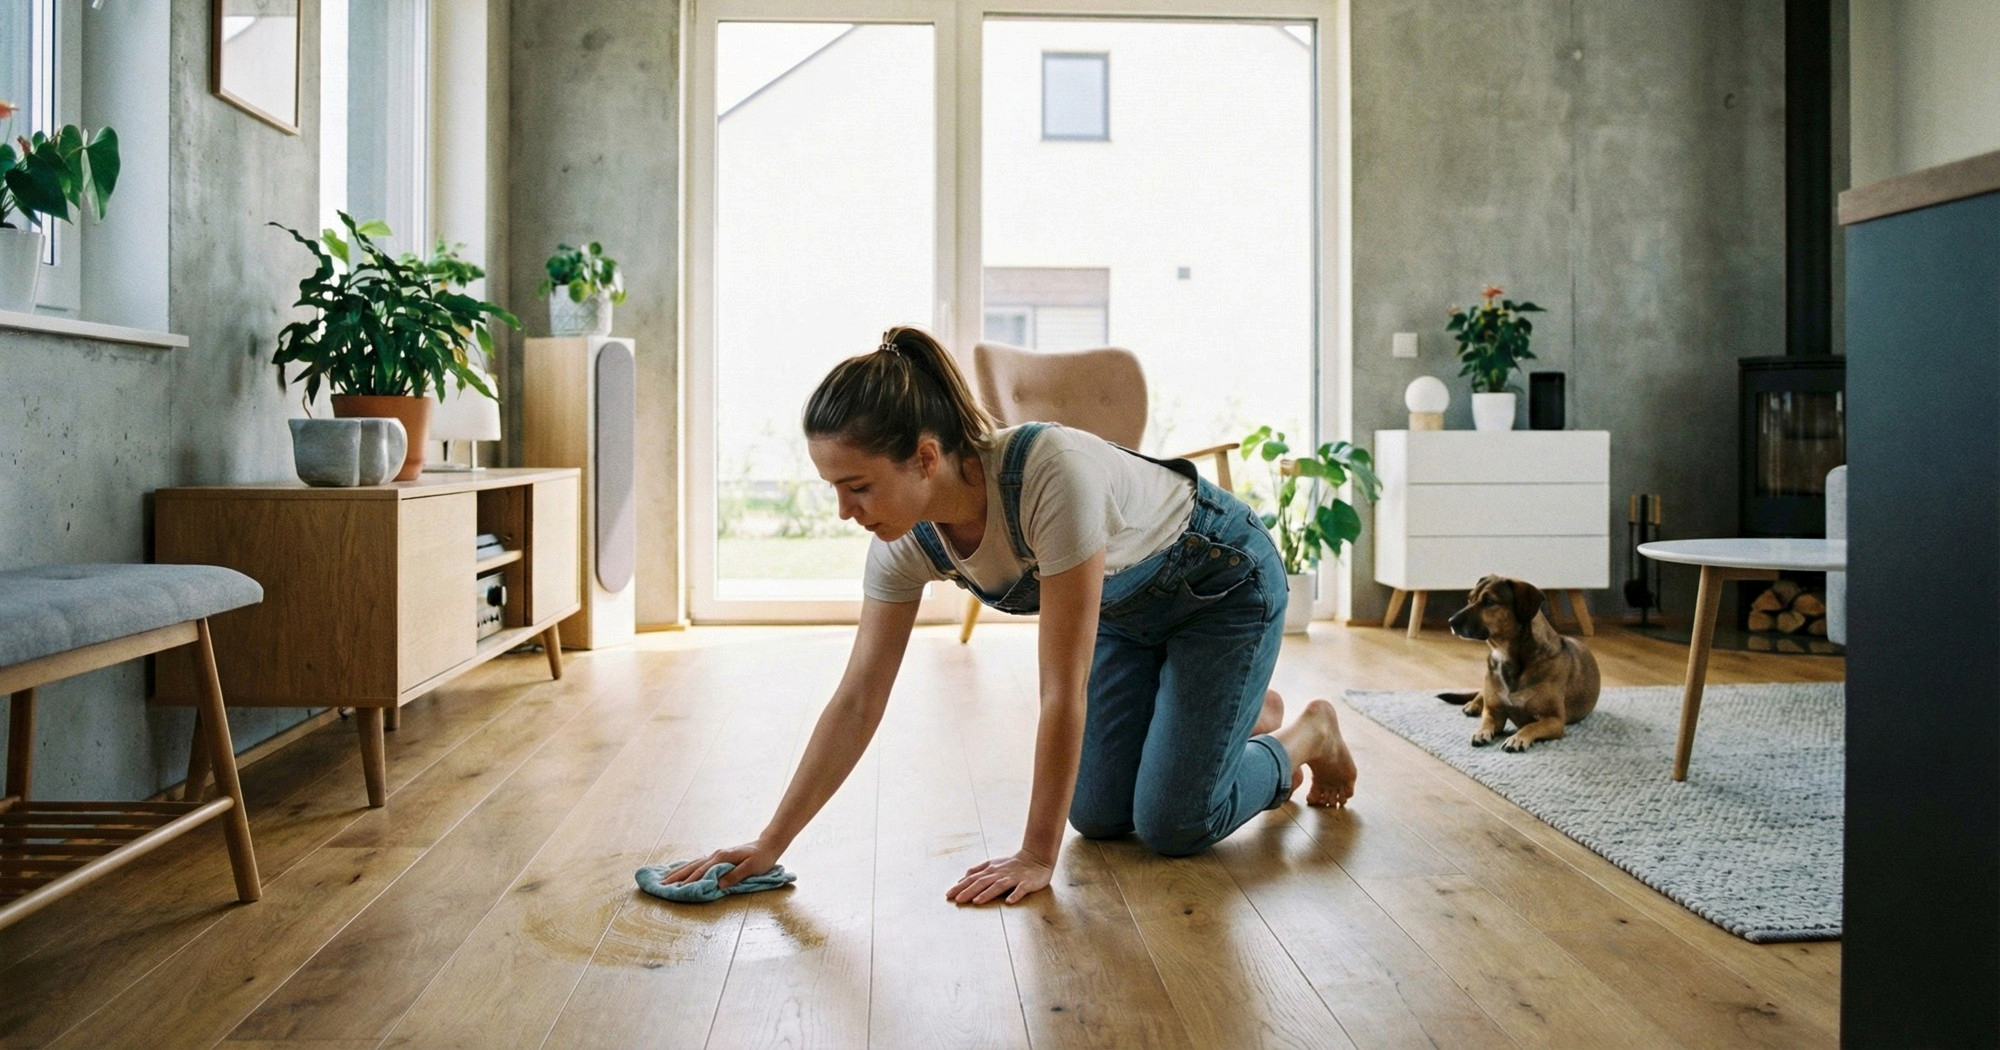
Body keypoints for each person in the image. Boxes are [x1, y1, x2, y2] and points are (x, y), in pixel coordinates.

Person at [663, 326, 1358, 905]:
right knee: (1100, 816)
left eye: (858, 487)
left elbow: (1063, 690)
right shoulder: (905, 544)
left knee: (1174, 824)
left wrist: (1034, 854)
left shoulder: (1049, 474)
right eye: (835, 491)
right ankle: (1239, 710)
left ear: (925, 459)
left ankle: (1302, 735)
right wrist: (770, 842)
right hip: (1127, 610)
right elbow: (857, 700)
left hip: (1224, 587)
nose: (846, 512)